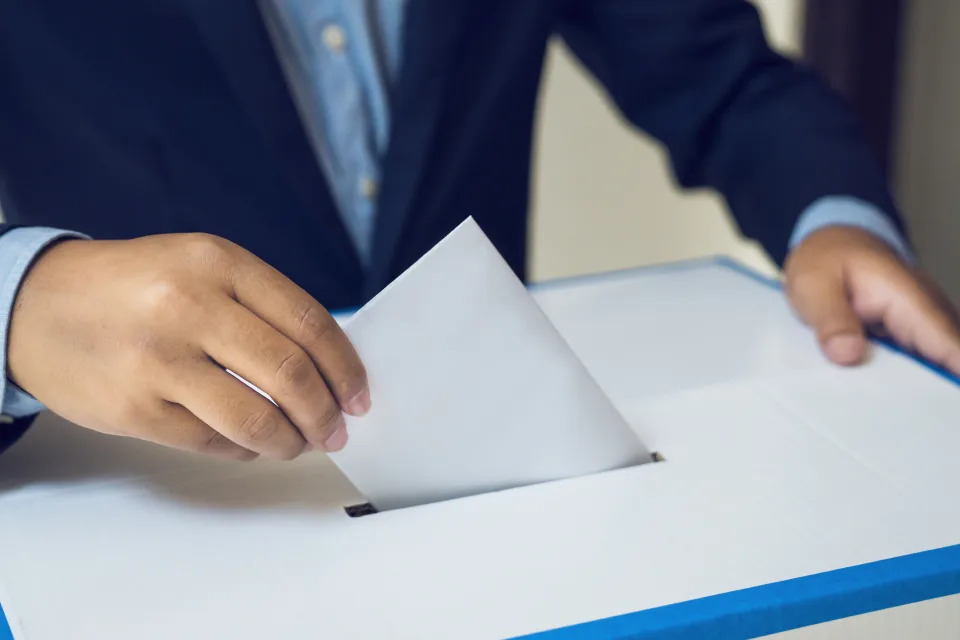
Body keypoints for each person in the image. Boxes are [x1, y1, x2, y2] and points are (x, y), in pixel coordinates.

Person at [0, 0, 957, 462]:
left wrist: (834, 217)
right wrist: (14, 304)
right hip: (157, 517)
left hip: (498, 501)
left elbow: (723, 77)